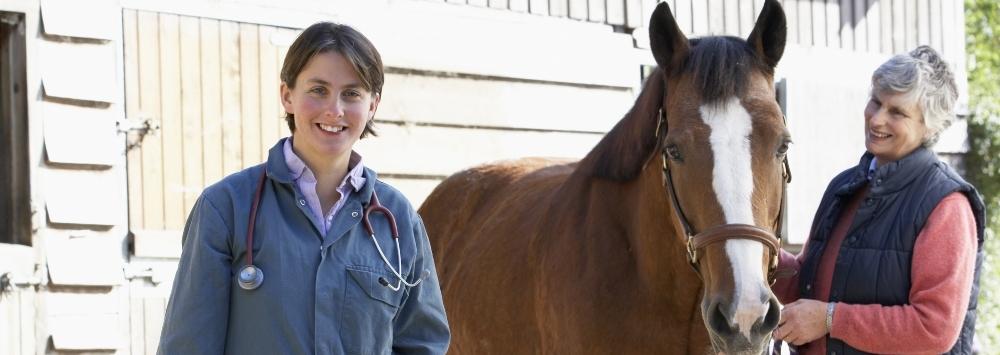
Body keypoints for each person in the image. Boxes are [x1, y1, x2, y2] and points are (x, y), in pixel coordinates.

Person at [158, 22, 450, 354]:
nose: (335, 110)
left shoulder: (398, 220)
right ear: (288, 96)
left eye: (352, 93)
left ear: (372, 106)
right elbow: (187, 346)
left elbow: (422, 344)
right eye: (318, 90)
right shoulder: (226, 208)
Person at [771, 45, 986, 354]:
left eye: (897, 112)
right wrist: (757, 250)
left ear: (929, 126)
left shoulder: (946, 205)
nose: (876, 119)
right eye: (875, 101)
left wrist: (830, 319)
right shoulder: (843, 186)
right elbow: (806, 285)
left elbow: (933, 327)